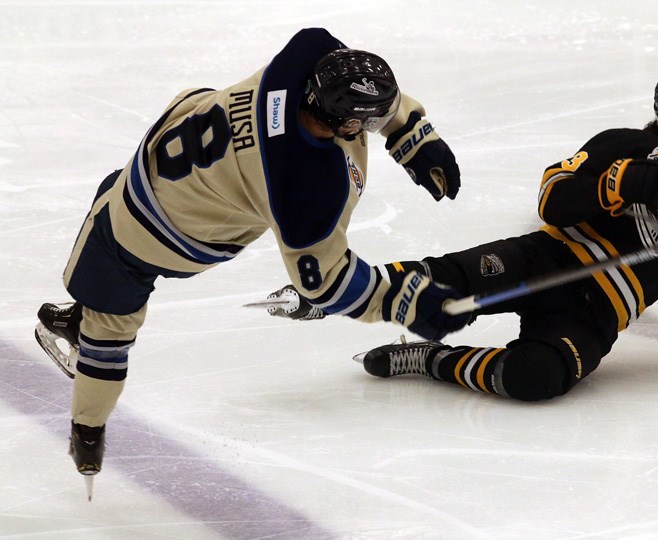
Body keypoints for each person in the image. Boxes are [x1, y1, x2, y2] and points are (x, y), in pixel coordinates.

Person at [34, 27, 470, 480]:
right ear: (349, 124)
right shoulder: (305, 186)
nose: (376, 127)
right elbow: (324, 282)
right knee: (110, 324)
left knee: (112, 196)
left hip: (166, 149)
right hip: (156, 235)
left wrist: (410, 132)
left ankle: (83, 335)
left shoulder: (306, 53)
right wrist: (406, 300)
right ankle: (86, 406)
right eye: (371, 124)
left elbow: (353, 78)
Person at [269, 65, 658, 401]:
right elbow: (551, 198)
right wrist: (617, 183)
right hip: (548, 258)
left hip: (597, 314)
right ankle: (330, 295)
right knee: (439, 285)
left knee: (536, 380)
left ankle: (433, 359)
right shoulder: (625, 144)